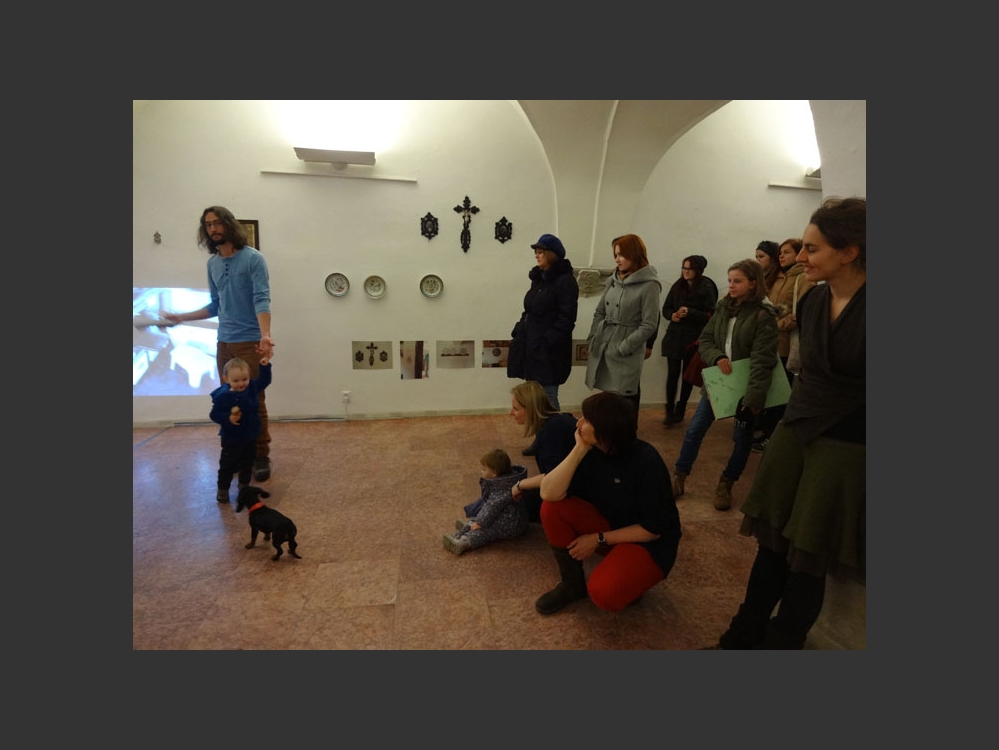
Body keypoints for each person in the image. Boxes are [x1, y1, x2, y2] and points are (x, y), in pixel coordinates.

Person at [707, 197, 865, 650]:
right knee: (772, 541)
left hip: (846, 440)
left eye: (812, 249)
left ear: (849, 251)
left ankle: (782, 643)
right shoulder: (814, 300)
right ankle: (741, 636)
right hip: (796, 427)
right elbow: (804, 369)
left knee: (809, 554)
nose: (800, 258)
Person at [534, 391, 681, 614]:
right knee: (552, 508)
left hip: (649, 543)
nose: (578, 423)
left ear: (606, 429)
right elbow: (548, 493)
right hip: (612, 526)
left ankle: (632, 582)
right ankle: (572, 585)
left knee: (603, 593)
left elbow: (652, 530)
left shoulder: (646, 461)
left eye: (586, 420)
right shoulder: (591, 450)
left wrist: (598, 539)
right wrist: (579, 449)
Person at [164, 206, 275, 481]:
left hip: (250, 341)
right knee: (229, 398)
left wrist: (265, 335)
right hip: (223, 342)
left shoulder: (253, 259)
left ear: (228, 224)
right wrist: (181, 317)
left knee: (254, 399)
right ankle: (237, 453)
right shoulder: (212, 264)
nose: (212, 229)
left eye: (217, 223)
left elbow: (261, 298)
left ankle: (261, 455)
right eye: (208, 224)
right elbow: (215, 304)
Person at [671, 258, 778, 511]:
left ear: (753, 283)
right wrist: (717, 357)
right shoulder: (722, 308)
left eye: (737, 281)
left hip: (746, 386)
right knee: (695, 430)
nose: (731, 285)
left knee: (741, 438)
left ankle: (727, 483)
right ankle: (679, 476)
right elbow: (706, 340)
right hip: (719, 383)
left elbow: (763, 361)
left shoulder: (763, 315)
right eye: (730, 280)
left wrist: (753, 399)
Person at [507, 233, 579, 454]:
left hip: (549, 352)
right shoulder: (539, 279)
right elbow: (530, 309)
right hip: (532, 346)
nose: (536, 255)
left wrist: (547, 342)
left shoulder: (565, 281)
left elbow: (567, 319)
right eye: (535, 252)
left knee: (548, 398)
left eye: (540, 251)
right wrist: (520, 329)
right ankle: (542, 441)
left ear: (551, 254)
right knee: (535, 399)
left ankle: (557, 442)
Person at [584, 234, 661, 412]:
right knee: (608, 399)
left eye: (621, 255)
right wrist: (593, 337)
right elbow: (600, 311)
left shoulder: (650, 284)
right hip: (605, 343)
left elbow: (649, 324)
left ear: (634, 254)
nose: (617, 259)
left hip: (626, 349)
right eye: (616, 255)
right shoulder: (614, 279)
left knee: (625, 399)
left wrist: (624, 347)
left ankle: (628, 429)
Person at [752, 237, 816, 450]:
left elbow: (801, 313)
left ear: (798, 254)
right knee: (770, 393)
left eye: (787, 252)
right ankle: (767, 432)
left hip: (786, 344)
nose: (781, 256)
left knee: (781, 395)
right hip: (769, 343)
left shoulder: (803, 278)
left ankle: (774, 438)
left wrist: (776, 324)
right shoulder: (778, 277)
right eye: (780, 252)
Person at [659, 254, 719, 427]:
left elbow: (711, 315)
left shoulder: (707, 286)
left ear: (698, 270)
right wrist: (673, 315)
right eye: (684, 268)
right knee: (672, 375)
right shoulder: (678, 285)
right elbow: (666, 308)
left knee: (687, 376)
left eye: (689, 269)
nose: (685, 272)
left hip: (693, 338)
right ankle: (669, 410)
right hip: (674, 337)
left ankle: (681, 409)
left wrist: (690, 312)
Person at [508, 381, 578, 522]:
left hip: (575, 493)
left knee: (515, 502)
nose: (511, 413)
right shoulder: (552, 424)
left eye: (515, 409)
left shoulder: (552, 430)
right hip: (567, 486)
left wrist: (520, 484)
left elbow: (552, 475)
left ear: (530, 409)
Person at [209, 356, 272, 503]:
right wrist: (228, 418)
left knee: (247, 464)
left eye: (244, 379)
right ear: (226, 379)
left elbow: (265, 381)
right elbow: (214, 414)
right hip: (231, 439)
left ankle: (244, 487)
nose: (241, 383)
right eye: (236, 381)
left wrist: (264, 366)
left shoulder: (251, 388)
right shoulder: (223, 396)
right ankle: (223, 489)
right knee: (227, 465)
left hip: (250, 436)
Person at [444, 448, 529, 556]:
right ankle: (469, 526)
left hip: (510, 525)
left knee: (486, 530)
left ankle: (464, 541)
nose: (481, 471)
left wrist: (480, 523)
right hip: (514, 518)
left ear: (494, 473)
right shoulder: (509, 480)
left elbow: (491, 508)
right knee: (484, 520)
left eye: (484, 469)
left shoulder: (499, 489)